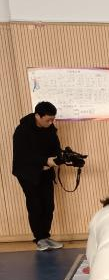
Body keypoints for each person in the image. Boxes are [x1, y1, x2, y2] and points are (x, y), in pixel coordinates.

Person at [11, 101, 65, 250]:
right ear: (37, 116)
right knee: (35, 205)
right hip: (27, 173)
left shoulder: (50, 128)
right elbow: (24, 155)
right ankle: (40, 239)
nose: (51, 122)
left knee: (49, 205)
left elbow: (56, 146)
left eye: (52, 119)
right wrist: (45, 160)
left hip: (46, 171)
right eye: (48, 120)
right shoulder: (22, 130)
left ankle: (46, 236)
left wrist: (60, 157)